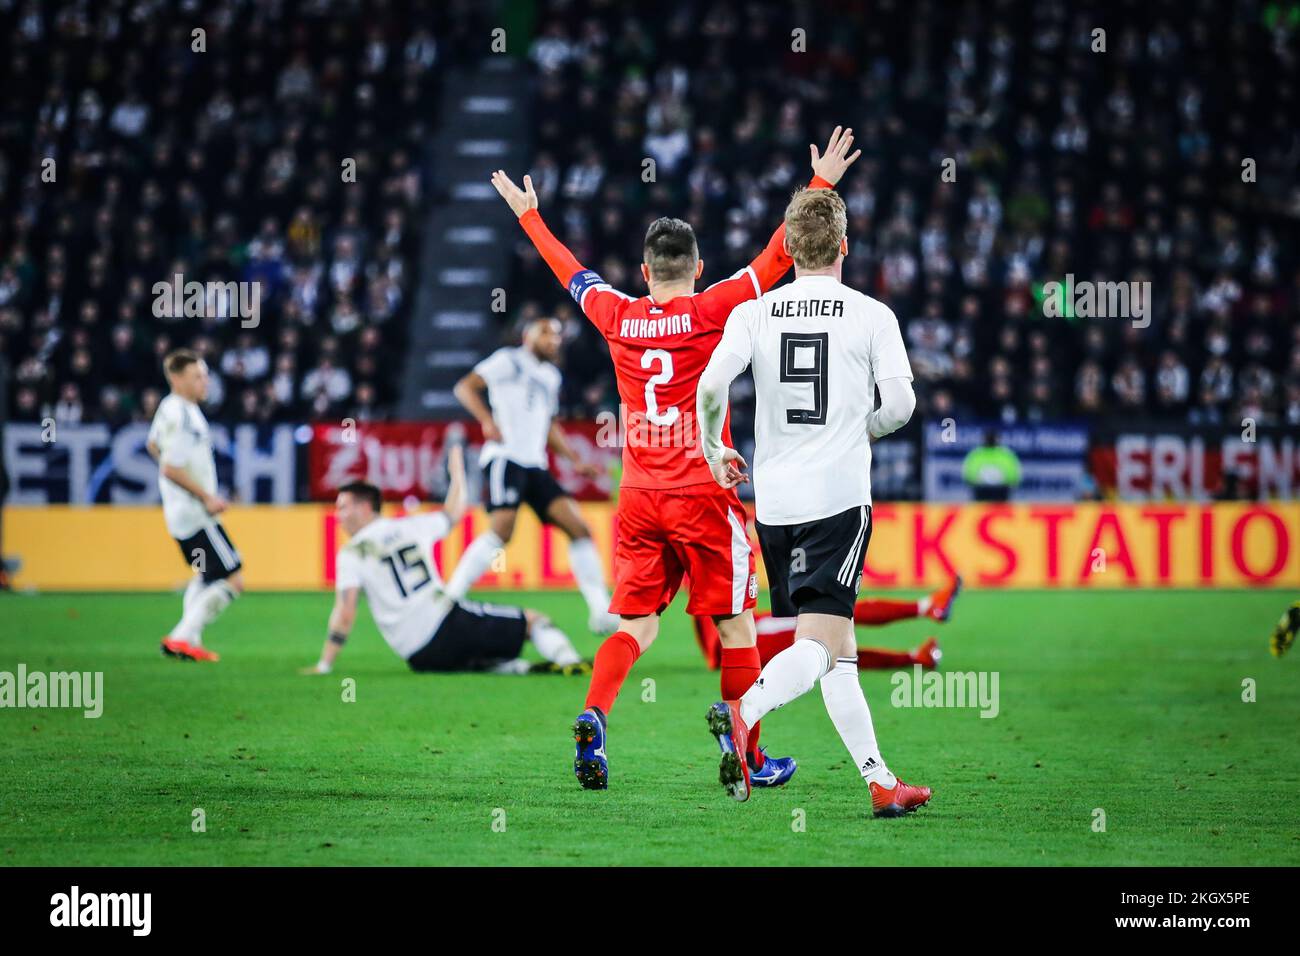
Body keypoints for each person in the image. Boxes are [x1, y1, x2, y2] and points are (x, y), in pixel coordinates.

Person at [491, 126, 861, 791]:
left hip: (638, 497)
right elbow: (780, 256)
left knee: (635, 623)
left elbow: (569, 271)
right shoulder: (713, 306)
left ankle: (596, 716)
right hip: (700, 489)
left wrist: (531, 217)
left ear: (643, 273)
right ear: (695, 267)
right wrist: (820, 183)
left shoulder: (615, 314)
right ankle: (748, 756)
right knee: (736, 622)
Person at [696, 185, 931, 816]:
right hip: (836, 499)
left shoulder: (752, 313)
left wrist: (714, 451)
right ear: (845, 246)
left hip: (775, 504)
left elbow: (712, 382)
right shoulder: (872, 314)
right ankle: (743, 713)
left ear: (790, 247)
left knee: (839, 650)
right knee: (824, 643)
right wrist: (863, 427)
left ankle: (881, 783)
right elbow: (903, 406)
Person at [304, 445, 585, 676]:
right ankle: (573, 663)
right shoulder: (409, 527)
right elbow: (454, 511)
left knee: (476, 658)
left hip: (418, 656)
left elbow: (345, 611)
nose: (338, 514)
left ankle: (518, 669)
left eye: (343, 507)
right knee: (534, 621)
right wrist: (457, 473)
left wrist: (325, 663)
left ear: (365, 507)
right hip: (446, 624)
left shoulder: (352, 552)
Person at [450, 316, 618, 634]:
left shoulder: (551, 376)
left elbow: (549, 425)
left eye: (556, 335)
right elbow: (465, 387)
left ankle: (600, 613)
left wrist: (574, 460)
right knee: (502, 531)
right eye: (546, 333)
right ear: (528, 336)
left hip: (534, 464)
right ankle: (448, 598)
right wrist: (486, 419)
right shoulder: (508, 360)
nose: (553, 339)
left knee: (579, 529)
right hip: (505, 458)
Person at [146, 350, 241, 662]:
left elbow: (153, 445)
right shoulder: (186, 417)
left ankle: (191, 642)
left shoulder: (169, 407)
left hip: (179, 512)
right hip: (196, 513)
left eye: (205, 375)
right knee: (232, 578)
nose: (205, 382)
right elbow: (170, 469)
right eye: (197, 376)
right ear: (177, 379)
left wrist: (174, 490)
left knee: (205, 574)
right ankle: (180, 638)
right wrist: (206, 496)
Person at [691, 575, 962, 672]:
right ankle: (926, 608)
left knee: (839, 652)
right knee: (838, 616)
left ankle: (915, 657)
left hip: (752, 635)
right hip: (755, 637)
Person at [962, 430, 1022, 501]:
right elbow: (968, 476)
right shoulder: (1006, 454)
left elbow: (1014, 477)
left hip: (1000, 492)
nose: (991, 440)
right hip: (981, 491)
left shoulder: (976, 454)